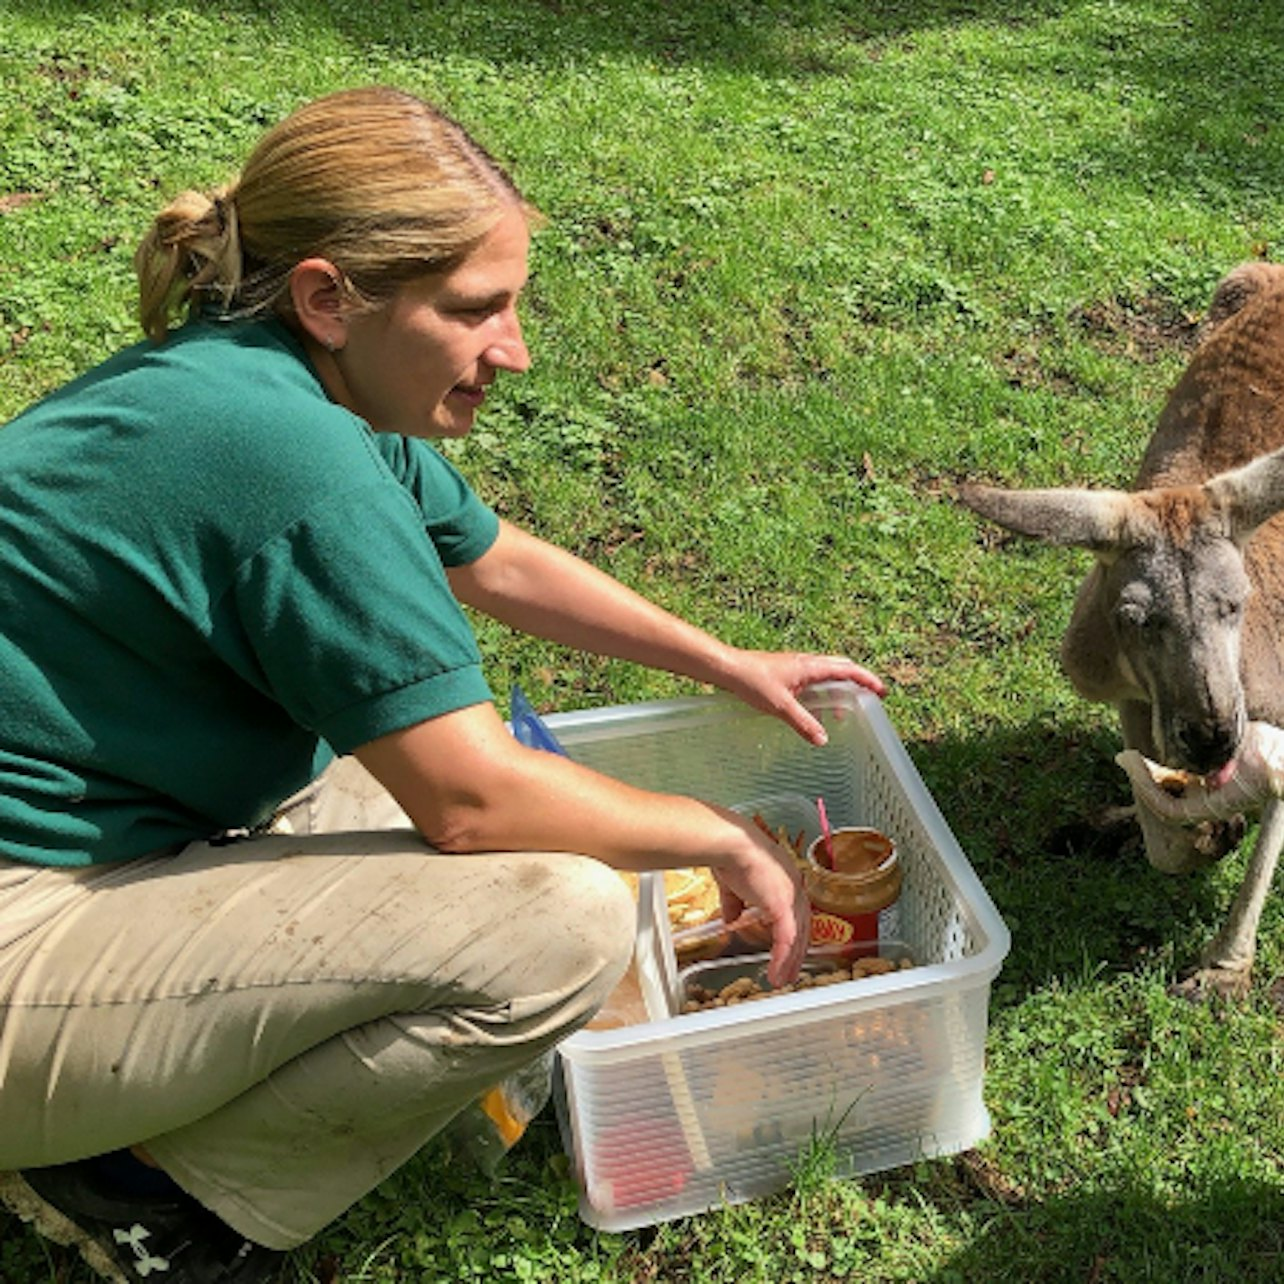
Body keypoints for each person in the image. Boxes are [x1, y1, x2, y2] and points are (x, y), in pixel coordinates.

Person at [0, 86, 885, 1283]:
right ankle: (151, 1199)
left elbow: (489, 554)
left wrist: (720, 660)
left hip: (106, 841)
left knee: (534, 814)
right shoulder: (290, 454)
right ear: (327, 296)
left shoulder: (273, 378)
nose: (514, 349)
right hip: (22, 924)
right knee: (563, 916)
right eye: (477, 309)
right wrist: (717, 836)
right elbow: (467, 799)